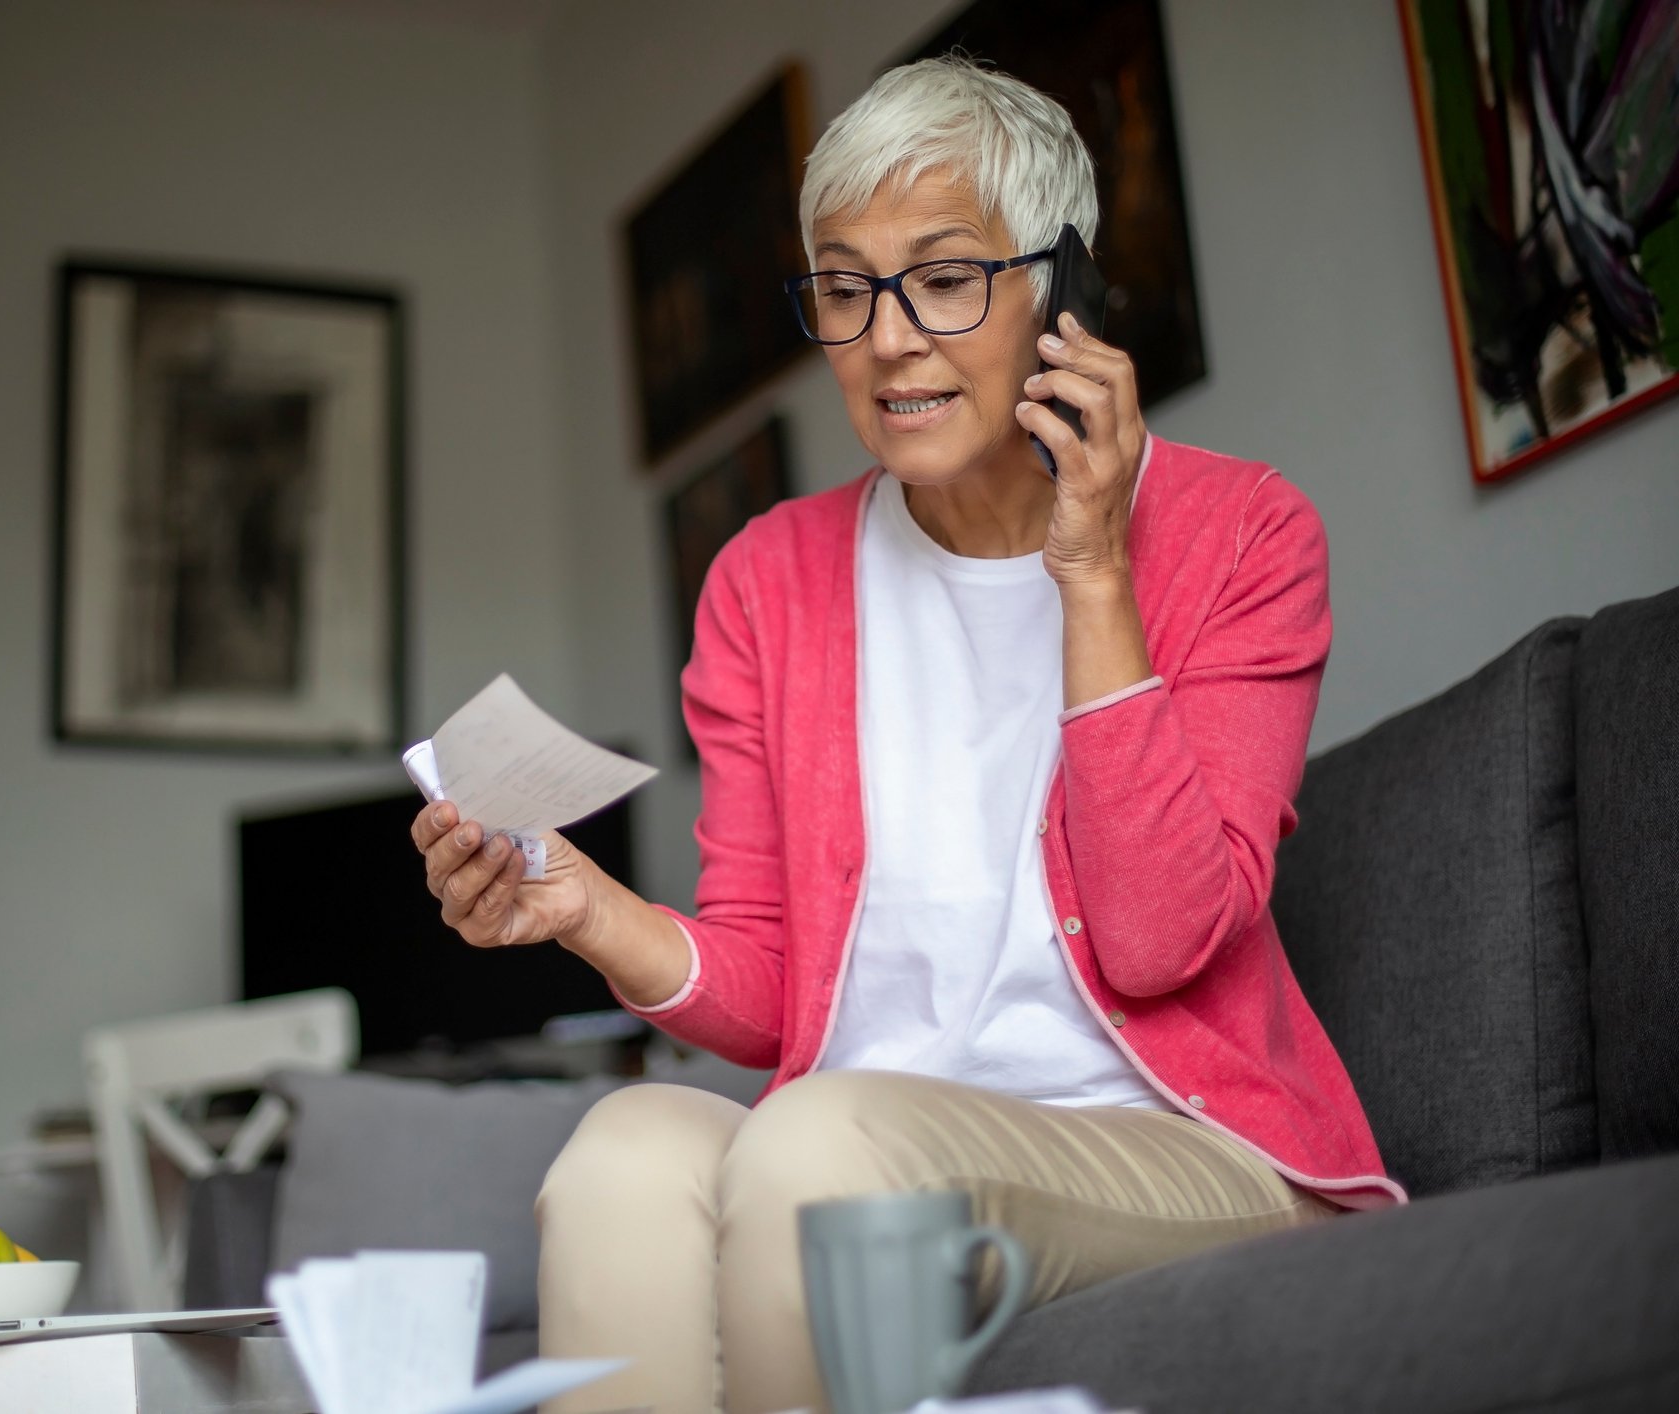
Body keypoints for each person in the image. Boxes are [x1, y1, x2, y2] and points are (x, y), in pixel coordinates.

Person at [410, 54, 1403, 1414]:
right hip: (864, 1130)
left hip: (1178, 1147)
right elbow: (768, 995)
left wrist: (1094, 574)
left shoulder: (1242, 532)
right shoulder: (763, 582)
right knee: (620, 1153)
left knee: (815, 1144)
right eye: (840, 283)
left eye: (941, 277)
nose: (885, 337)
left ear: (1053, 290)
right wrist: (578, 905)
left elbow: (1161, 937)